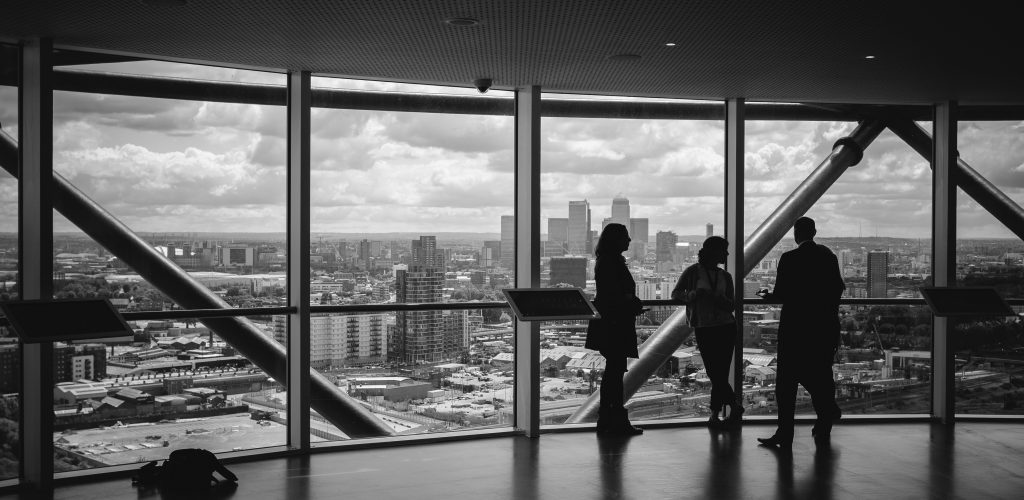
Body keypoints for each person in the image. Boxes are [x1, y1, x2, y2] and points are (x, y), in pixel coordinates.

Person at [757, 217, 845, 449]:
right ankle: (825, 422)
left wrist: (767, 296)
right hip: (823, 328)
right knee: (821, 375)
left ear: (796, 234)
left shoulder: (790, 258)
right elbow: (838, 289)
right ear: (814, 232)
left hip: (795, 329)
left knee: (786, 384)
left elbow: (782, 294)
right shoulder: (828, 257)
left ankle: (785, 433)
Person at [672, 236, 742, 429]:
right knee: (715, 372)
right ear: (713, 252)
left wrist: (713, 297)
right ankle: (732, 406)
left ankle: (715, 414)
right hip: (708, 327)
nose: (727, 254)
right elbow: (676, 294)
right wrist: (694, 295)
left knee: (717, 372)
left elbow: (731, 305)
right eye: (723, 250)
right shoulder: (693, 272)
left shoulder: (725, 276)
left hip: (723, 327)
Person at [585, 223, 646, 435]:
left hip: (610, 323)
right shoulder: (612, 262)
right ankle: (615, 420)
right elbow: (616, 294)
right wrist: (631, 302)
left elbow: (609, 294)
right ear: (616, 240)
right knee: (615, 374)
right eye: (626, 237)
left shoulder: (605, 261)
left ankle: (608, 419)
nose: (629, 241)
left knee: (613, 373)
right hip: (616, 324)